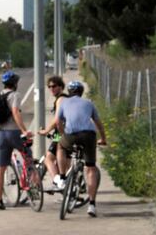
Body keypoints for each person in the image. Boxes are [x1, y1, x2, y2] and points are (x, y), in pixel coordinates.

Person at [0, 71, 34, 210]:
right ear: (15, 84)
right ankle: (33, 189)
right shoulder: (15, 95)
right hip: (14, 133)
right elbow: (16, 112)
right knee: (28, 155)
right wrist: (24, 131)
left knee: (0, 169)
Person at [55, 80, 107, 217]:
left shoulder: (64, 102)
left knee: (60, 146)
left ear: (70, 92)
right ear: (81, 92)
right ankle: (92, 205)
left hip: (70, 135)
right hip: (88, 135)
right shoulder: (89, 103)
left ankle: (62, 177)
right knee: (90, 168)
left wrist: (62, 135)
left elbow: (57, 122)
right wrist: (103, 139)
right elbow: (98, 123)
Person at [38, 76, 68, 189]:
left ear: (61, 86)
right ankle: (68, 188)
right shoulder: (64, 98)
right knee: (65, 160)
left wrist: (46, 131)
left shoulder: (60, 99)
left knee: (48, 159)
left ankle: (58, 181)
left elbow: (57, 120)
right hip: (67, 132)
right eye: (49, 86)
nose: (51, 88)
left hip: (60, 132)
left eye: (54, 86)